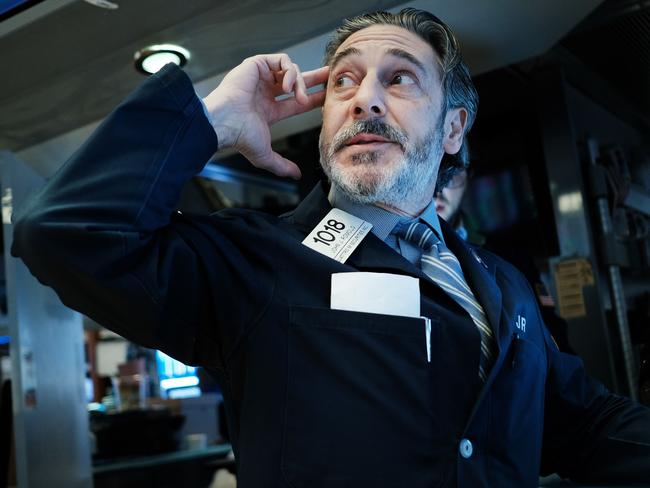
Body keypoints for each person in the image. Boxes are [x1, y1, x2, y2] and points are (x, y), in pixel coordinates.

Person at [11, 8, 650, 487]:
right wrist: (211, 119)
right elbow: (64, 233)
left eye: (400, 79)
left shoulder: (501, 283)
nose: (365, 97)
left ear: (453, 127)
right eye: (343, 82)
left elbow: (584, 425)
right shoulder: (255, 261)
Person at [435, 167, 576, 354]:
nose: (439, 187)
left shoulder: (511, 259)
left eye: (451, 172)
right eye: (432, 170)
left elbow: (551, 331)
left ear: (468, 175)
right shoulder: (390, 254)